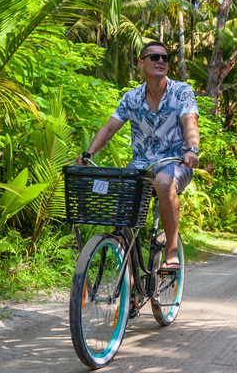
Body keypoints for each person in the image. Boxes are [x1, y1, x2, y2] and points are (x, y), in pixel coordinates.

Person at [77, 40, 200, 272]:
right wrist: (89, 152)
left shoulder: (181, 91)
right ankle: (129, 277)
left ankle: (171, 250)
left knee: (163, 182)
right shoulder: (131, 97)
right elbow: (109, 128)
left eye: (165, 57)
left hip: (175, 162)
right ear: (141, 64)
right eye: (155, 57)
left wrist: (191, 149)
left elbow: (190, 121)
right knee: (120, 206)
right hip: (140, 166)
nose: (161, 61)